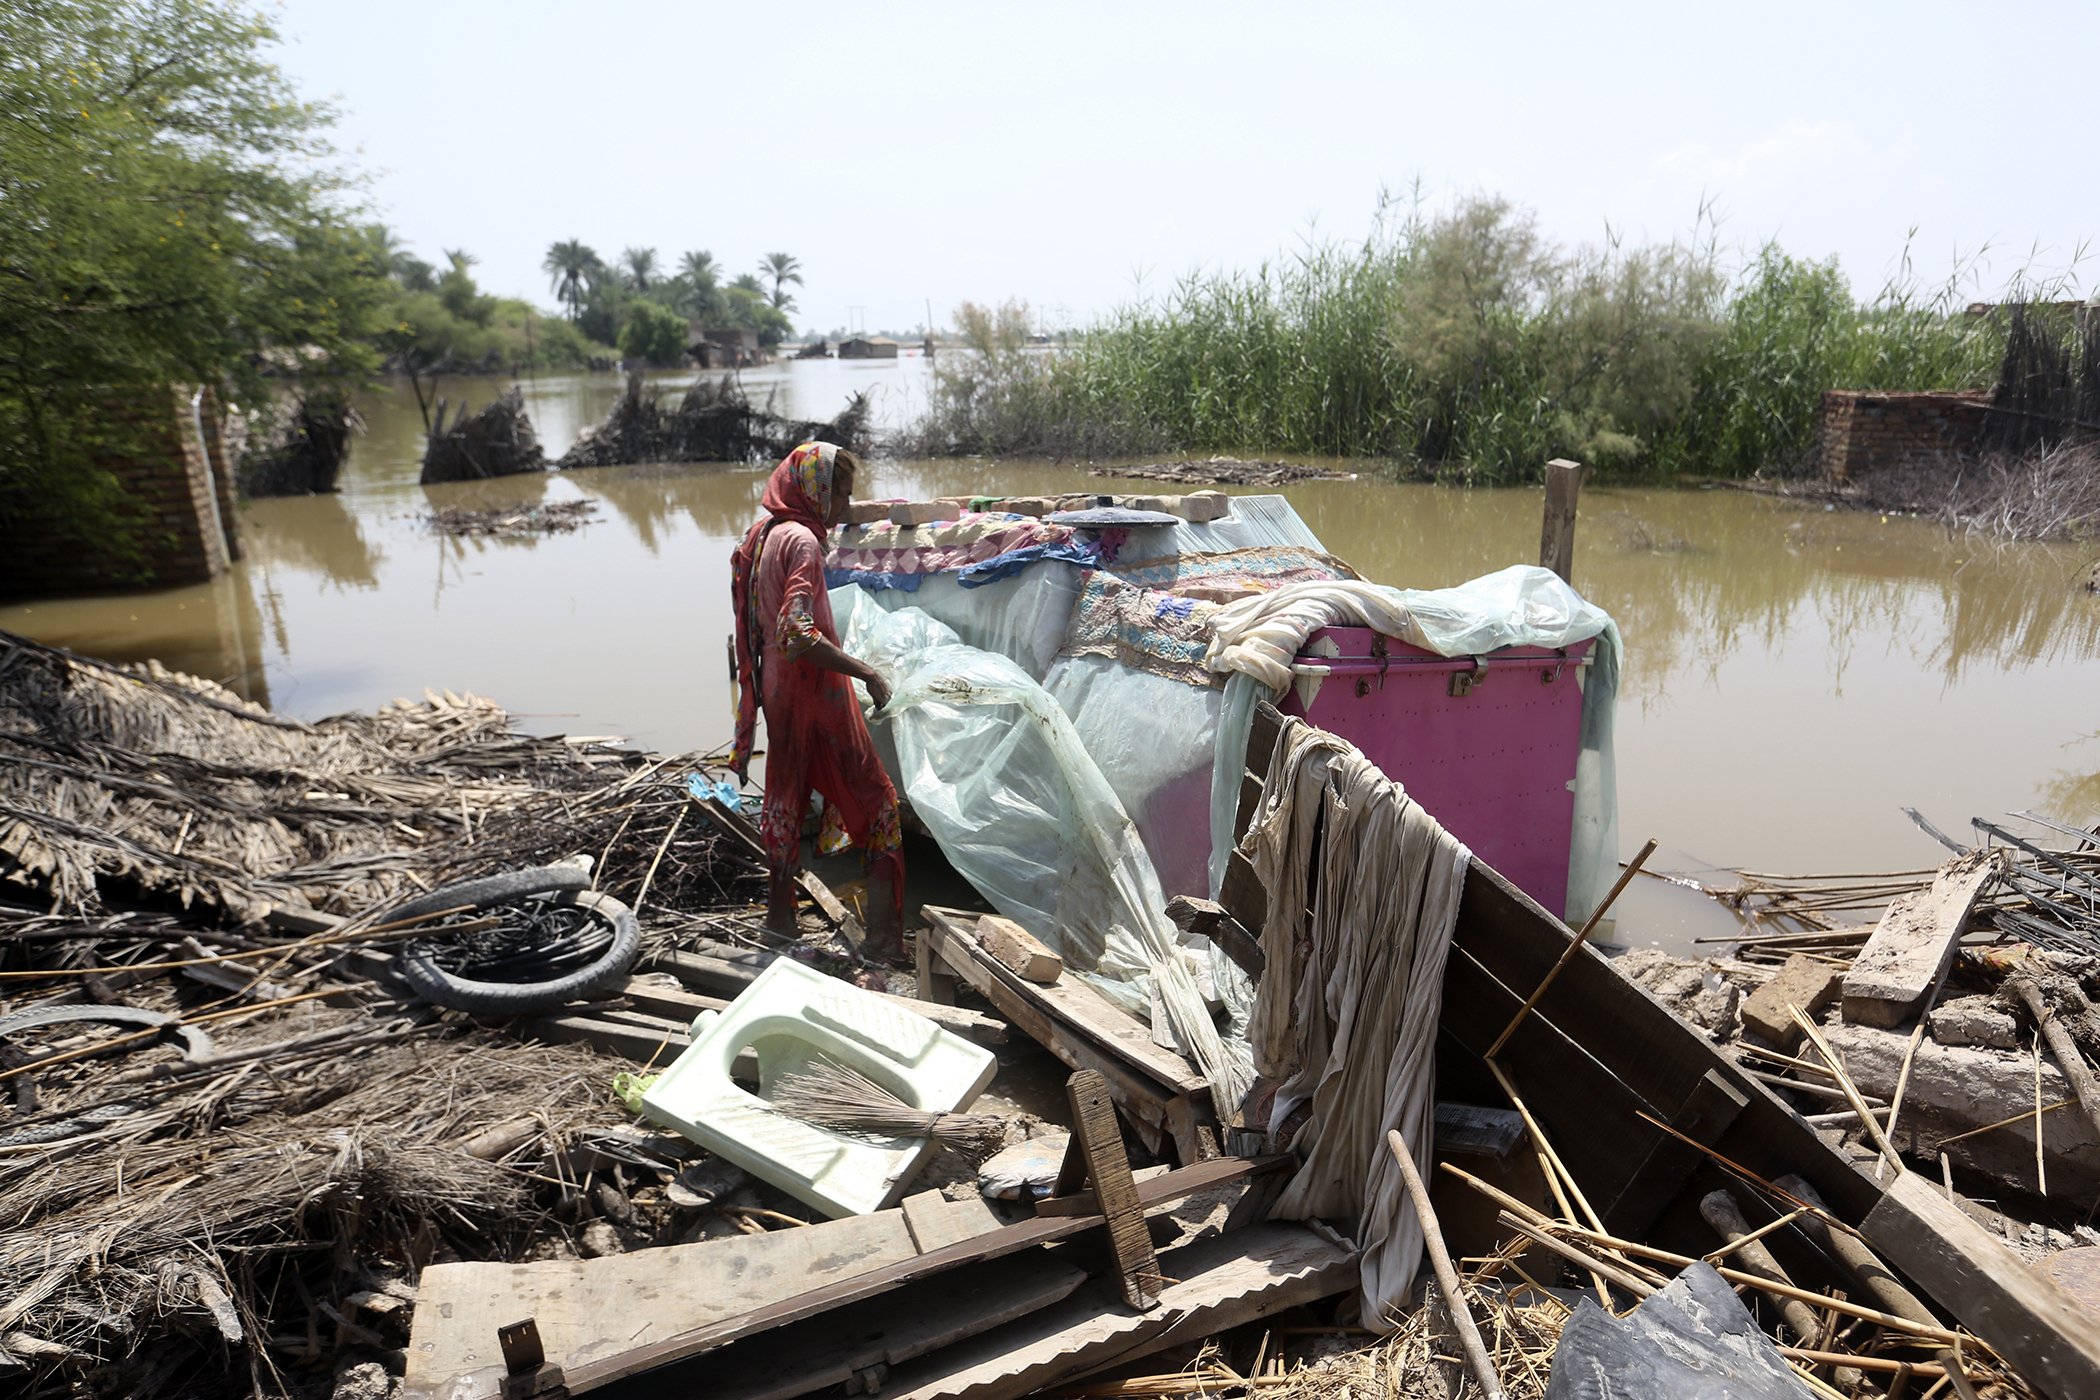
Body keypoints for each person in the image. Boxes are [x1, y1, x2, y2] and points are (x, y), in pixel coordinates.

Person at [729, 441, 907, 962]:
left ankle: (779, 923)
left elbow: (764, 628)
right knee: (880, 807)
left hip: (779, 691)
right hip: (814, 691)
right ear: (814, 490)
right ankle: (881, 941)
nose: (844, 507)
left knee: (783, 800)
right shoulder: (803, 541)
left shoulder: (760, 535)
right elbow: (797, 632)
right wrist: (866, 671)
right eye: (840, 494)